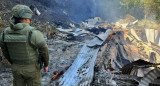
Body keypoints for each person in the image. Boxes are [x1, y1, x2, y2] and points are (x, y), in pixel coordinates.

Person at [0, 4, 49, 86]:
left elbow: (5, 51)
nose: (30, 21)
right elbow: (44, 50)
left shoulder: (5, 33)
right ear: (26, 19)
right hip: (32, 69)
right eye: (29, 19)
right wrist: (46, 64)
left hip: (16, 68)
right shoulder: (33, 33)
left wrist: (13, 63)